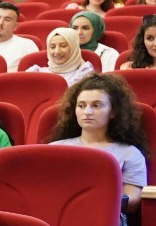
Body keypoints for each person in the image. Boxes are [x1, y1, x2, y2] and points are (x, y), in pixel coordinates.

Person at [47, 74, 148, 208]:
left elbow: (132, 201)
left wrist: (89, 200)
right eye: (81, 106)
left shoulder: (130, 154)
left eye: (96, 105)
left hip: (104, 220)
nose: (87, 112)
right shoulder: (53, 149)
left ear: (113, 112)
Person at [27, 27, 96, 85]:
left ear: (74, 48)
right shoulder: (37, 73)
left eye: (63, 46)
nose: (57, 51)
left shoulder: (85, 75)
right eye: (52, 47)